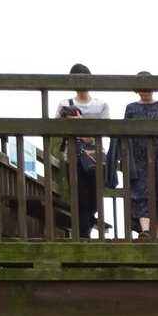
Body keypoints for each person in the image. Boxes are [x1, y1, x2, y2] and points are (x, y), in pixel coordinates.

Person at [109, 72, 158, 238]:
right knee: (141, 194)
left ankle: (154, 236)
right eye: (142, 89)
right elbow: (124, 132)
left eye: (148, 88)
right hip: (137, 158)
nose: (145, 92)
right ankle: (145, 232)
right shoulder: (131, 108)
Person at [57, 63, 110, 237]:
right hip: (73, 157)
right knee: (80, 199)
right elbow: (56, 129)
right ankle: (82, 237)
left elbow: (104, 131)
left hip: (96, 158)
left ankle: (83, 234)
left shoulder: (101, 105)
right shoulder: (65, 104)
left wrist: (78, 124)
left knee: (95, 200)